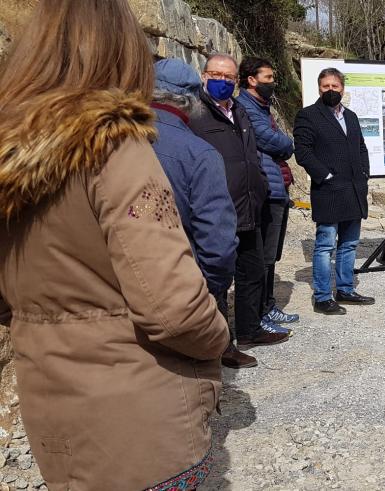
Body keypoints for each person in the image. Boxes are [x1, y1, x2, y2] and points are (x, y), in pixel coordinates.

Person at [0, 0, 228, 488]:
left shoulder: (8, 153)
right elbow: (174, 307)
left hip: (53, 414)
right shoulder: (113, 144)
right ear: (121, 49)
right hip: (140, 419)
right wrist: (218, 339)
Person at [189, 53, 291, 367]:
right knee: (218, 277)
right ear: (204, 75)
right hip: (217, 207)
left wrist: (259, 186)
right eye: (216, 74)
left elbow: (253, 155)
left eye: (228, 77)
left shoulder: (239, 112)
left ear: (236, 81)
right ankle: (222, 345)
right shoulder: (196, 113)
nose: (222, 81)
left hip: (249, 204)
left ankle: (249, 330)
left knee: (252, 271)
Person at [150, 58, 250, 367]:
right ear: (194, 98)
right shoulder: (198, 152)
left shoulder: (110, 139)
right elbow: (217, 239)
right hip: (182, 282)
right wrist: (211, 288)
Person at [293, 67, 375, 315]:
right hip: (328, 190)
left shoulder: (350, 116)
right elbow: (303, 152)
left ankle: (345, 289)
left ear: (342, 88)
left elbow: (361, 147)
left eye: (335, 86)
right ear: (319, 88)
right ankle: (322, 297)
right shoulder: (308, 115)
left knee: (349, 244)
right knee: (325, 245)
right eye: (325, 86)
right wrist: (325, 175)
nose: (330, 90)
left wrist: (364, 174)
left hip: (353, 190)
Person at [235, 56, 301, 325]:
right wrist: (287, 143)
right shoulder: (246, 107)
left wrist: (283, 143)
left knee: (270, 256)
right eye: (269, 78)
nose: (273, 83)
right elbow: (268, 139)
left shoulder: (261, 107)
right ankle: (258, 314)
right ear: (252, 80)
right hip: (264, 190)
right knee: (260, 258)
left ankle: (268, 306)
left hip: (277, 189)